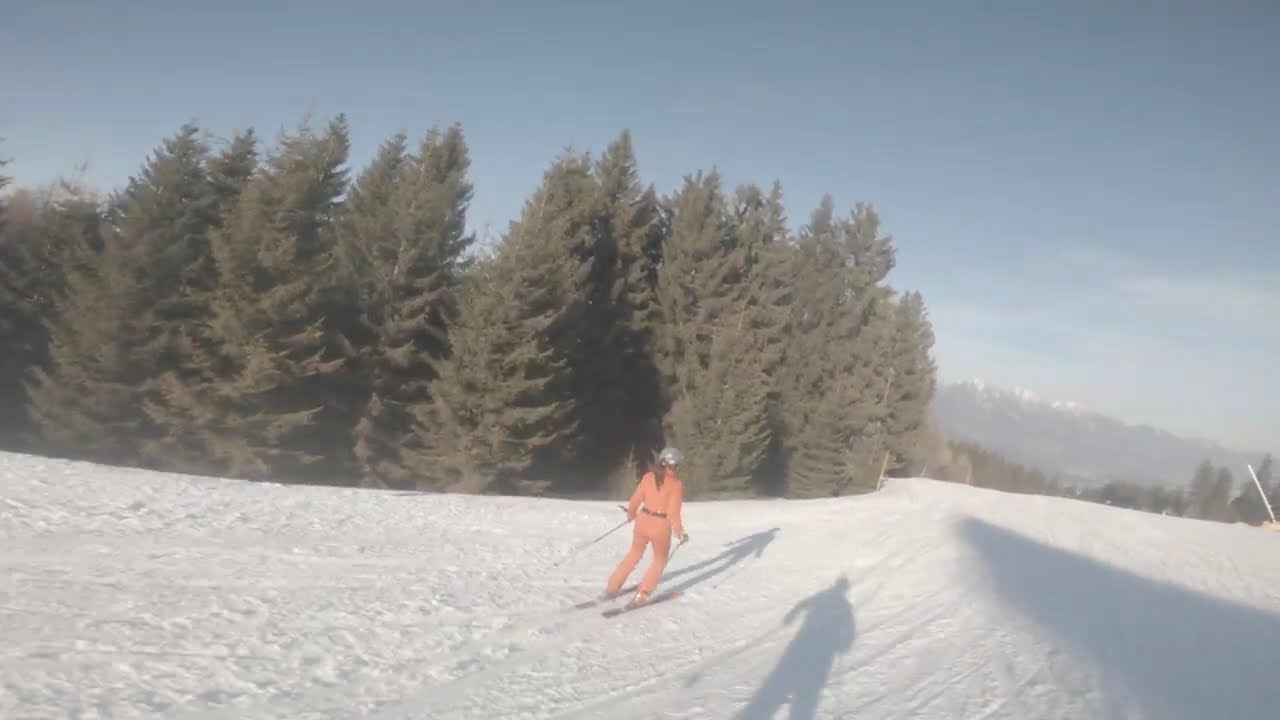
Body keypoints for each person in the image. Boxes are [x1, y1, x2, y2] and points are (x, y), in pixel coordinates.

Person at [604, 446, 690, 607]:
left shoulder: (648, 477)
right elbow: (673, 513)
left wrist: (631, 514)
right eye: (678, 465)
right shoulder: (676, 485)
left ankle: (612, 587)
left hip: (642, 521)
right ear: (674, 465)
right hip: (660, 526)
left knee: (634, 554)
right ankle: (642, 595)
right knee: (659, 560)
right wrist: (680, 532)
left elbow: (636, 498)